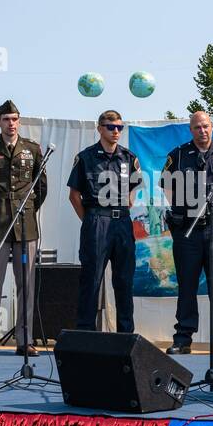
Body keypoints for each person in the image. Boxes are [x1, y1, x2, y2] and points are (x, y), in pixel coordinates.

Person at [161, 110, 213, 356]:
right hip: (187, 231)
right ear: (191, 130)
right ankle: (183, 338)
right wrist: (183, 210)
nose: (202, 131)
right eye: (197, 127)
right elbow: (167, 187)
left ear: (212, 127)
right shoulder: (177, 156)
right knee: (186, 286)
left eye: (206, 126)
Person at [0, 100, 48, 358]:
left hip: (25, 226)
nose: (11, 124)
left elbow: (40, 188)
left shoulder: (33, 149)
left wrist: (26, 211)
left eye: (14, 119)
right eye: (6, 119)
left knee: (26, 283)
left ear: (19, 121)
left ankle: (25, 340)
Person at [68, 109, 143, 332]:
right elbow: (74, 196)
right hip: (96, 220)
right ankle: (85, 333)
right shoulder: (86, 157)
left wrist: (127, 200)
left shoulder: (129, 158)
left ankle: (125, 334)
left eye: (120, 127)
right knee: (91, 281)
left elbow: (133, 189)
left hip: (122, 224)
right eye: (111, 127)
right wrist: (90, 220)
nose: (116, 131)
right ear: (100, 128)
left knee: (124, 282)